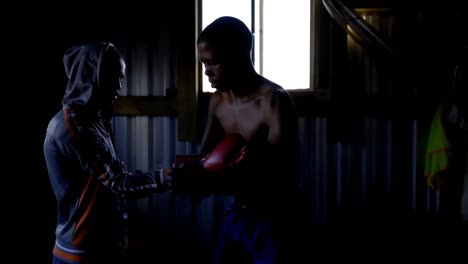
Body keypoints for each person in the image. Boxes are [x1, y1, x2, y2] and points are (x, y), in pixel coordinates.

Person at [170, 16, 305, 263]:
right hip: (238, 212)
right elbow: (206, 160)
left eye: (214, 63)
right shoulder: (217, 102)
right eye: (203, 64)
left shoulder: (273, 101)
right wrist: (191, 176)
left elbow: (283, 174)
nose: (207, 72)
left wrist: (218, 180)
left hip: (275, 217)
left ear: (238, 57)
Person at [43, 42, 171, 264]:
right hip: (80, 253)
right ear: (94, 75)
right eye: (115, 77)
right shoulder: (71, 128)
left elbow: (106, 190)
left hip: (102, 247)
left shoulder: (95, 121)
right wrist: (167, 177)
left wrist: (122, 237)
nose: (119, 87)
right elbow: (117, 182)